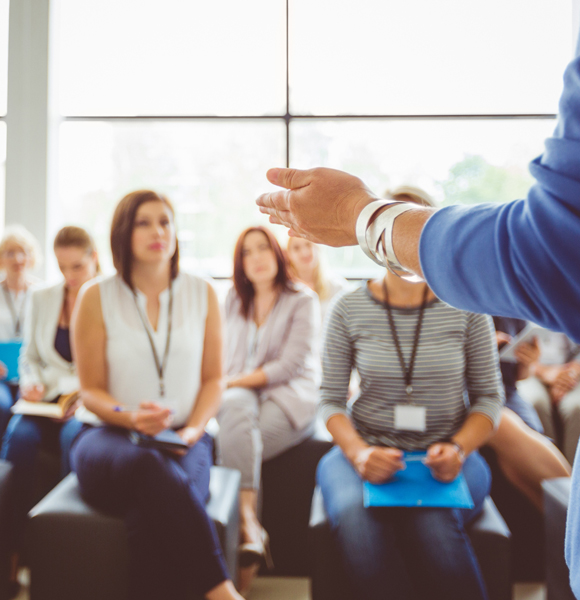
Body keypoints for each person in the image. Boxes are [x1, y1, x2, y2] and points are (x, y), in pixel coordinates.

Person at [256, 37, 580, 343]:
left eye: (412, 213)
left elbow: (550, 250)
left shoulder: (464, 311)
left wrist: (356, 212)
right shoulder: (350, 307)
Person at [72, 190, 243, 600]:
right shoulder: (96, 295)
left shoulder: (202, 292)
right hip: (109, 437)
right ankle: (222, 591)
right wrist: (130, 417)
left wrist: (194, 430)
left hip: (185, 437)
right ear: (122, 233)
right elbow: (90, 390)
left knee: (150, 516)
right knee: (150, 469)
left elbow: (213, 380)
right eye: (143, 222)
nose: (157, 231)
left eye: (165, 221)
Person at [317, 257, 503, 600]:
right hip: (364, 447)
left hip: (447, 451)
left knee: (433, 525)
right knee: (356, 522)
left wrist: (460, 448)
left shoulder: (468, 307)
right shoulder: (348, 307)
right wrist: (359, 453)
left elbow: (489, 399)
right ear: (376, 246)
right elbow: (330, 400)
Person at [218, 226, 320, 594]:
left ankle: (243, 539)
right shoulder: (232, 298)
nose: (257, 257)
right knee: (236, 417)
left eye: (263, 248)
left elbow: (290, 366)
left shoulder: (302, 299)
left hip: (288, 395)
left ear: (277, 253)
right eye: (247, 252)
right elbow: (219, 355)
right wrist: (230, 382)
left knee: (240, 441)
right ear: (240, 263)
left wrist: (233, 382)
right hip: (240, 394)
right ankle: (250, 527)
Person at [0, 226, 98, 588]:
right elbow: (28, 356)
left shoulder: (108, 299)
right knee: (18, 438)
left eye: (77, 267)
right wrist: (29, 383)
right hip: (44, 402)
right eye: (62, 268)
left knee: (74, 439)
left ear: (94, 260)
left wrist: (85, 396)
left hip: (83, 404)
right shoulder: (43, 297)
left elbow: (112, 364)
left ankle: (61, 550)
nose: (69, 277)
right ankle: (10, 553)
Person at [0, 226, 43, 436]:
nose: (18, 259)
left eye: (23, 252)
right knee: (1, 404)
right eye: (10, 253)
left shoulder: (42, 294)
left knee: (25, 414)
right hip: (2, 375)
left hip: (30, 373)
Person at [518, 331, 580, 464]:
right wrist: (546, 372)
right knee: (536, 403)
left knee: (577, 408)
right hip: (531, 369)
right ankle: (550, 473)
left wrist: (572, 372)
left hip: (572, 371)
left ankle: (573, 479)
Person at [286, 236, 348, 323]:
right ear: (288, 254)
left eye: (308, 245)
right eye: (296, 248)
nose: (304, 252)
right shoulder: (284, 291)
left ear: (317, 247)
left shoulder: (338, 287)